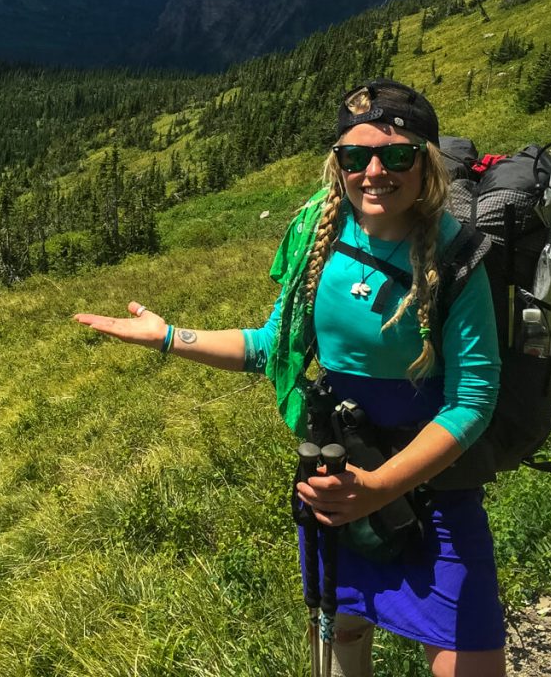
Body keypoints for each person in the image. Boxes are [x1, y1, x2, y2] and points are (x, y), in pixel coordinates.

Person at [75, 78, 506, 677]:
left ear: (427, 162)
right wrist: (170, 337)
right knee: (341, 626)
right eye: (356, 157)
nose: (374, 170)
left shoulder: (460, 258)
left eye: (397, 154)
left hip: (434, 480)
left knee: (472, 657)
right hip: (334, 468)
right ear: (339, 164)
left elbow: (471, 402)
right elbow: (271, 347)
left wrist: (380, 487)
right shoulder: (321, 238)